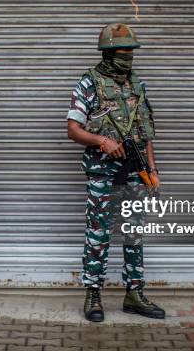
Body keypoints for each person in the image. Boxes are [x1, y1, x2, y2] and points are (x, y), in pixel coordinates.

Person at [67, 23, 166, 322]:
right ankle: (93, 295)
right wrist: (102, 141)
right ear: (109, 53)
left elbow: (145, 132)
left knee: (134, 233)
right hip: (103, 174)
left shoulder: (137, 85)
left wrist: (152, 167)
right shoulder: (88, 84)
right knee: (98, 234)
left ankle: (134, 293)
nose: (129, 57)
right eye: (124, 52)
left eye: (131, 52)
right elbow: (73, 130)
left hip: (136, 171)